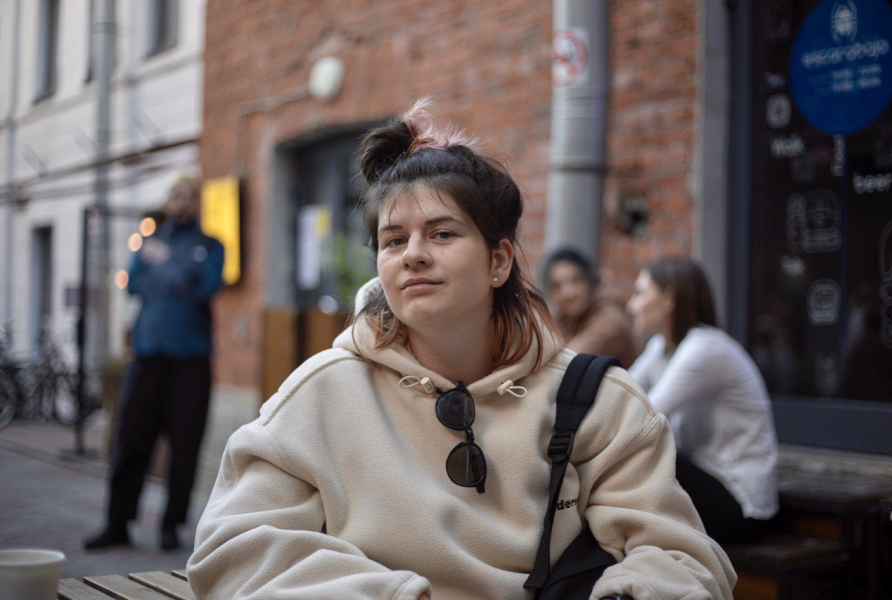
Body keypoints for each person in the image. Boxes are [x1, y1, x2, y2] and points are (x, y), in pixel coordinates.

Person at [187, 101, 734, 599]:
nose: (413, 255)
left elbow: (680, 555)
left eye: (442, 234)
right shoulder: (324, 391)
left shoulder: (596, 399)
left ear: (499, 262)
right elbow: (233, 548)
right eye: (394, 240)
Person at [84, 176, 225, 551]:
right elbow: (133, 284)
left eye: (190, 196)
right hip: (147, 359)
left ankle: (170, 526)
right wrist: (177, 274)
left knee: (184, 447)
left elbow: (205, 290)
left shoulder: (211, 246)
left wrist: (167, 265)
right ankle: (117, 523)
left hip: (191, 363)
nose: (183, 201)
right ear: (168, 201)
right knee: (130, 442)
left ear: (199, 203)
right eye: (177, 195)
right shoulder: (149, 240)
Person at [626, 258, 778, 544]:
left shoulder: (705, 348)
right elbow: (621, 395)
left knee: (647, 453)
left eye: (640, 293)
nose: (631, 306)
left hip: (740, 500)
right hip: (703, 483)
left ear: (668, 299)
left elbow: (642, 417)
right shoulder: (660, 347)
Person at [544, 248, 638, 367]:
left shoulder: (610, 319)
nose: (568, 293)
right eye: (557, 286)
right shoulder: (564, 313)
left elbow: (565, 361)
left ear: (589, 281)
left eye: (575, 280)